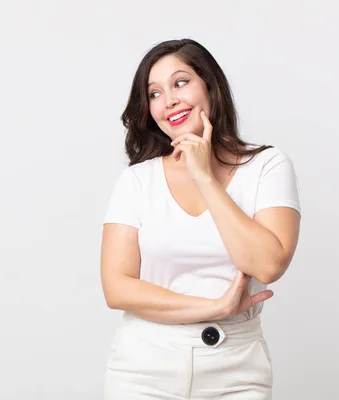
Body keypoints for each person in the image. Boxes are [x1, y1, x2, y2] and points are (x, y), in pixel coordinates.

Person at [100, 38, 301, 399]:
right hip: (144, 368)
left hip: (237, 369)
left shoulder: (267, 166)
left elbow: (268, 264)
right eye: (155, 93)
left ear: (210, 86)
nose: (170, 100)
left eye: (181, 83)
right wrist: (214, 308)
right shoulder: (138, 179)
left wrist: (205, 176)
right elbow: (117, 287)